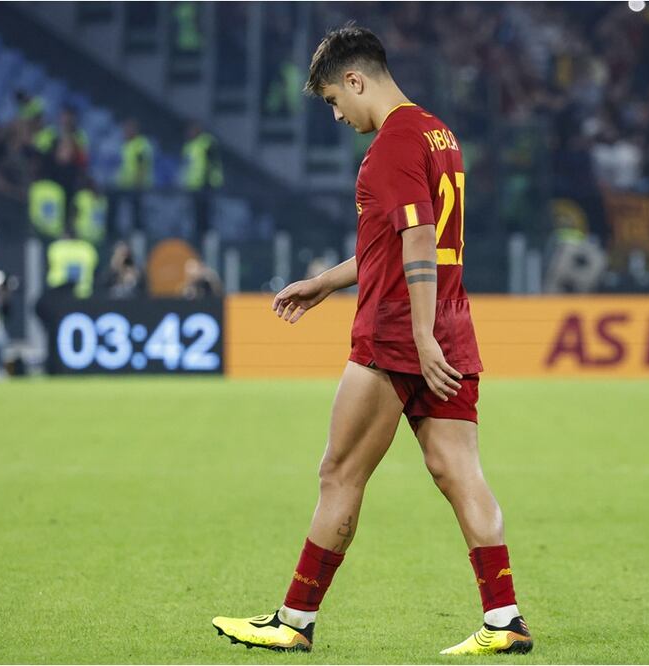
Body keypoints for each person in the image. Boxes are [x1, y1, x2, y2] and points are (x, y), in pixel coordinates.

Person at [211, 24, 532, 656]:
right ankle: (504, 619)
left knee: (339, 472)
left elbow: (416, 243)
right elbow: (395, 242)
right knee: (458, 469)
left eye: (334, 98)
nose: (336, 114)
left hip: (397, 332)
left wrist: (415, 334)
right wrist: (326, 282)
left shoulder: (391, 146)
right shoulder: (440, 134)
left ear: (357, 79)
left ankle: (293, 621)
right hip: (450, 323)